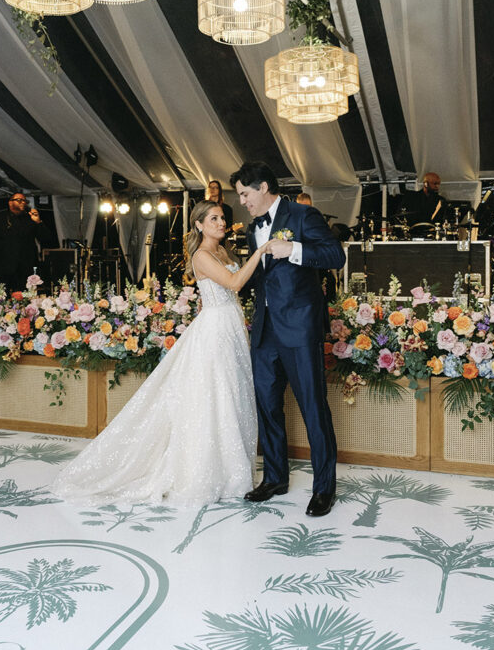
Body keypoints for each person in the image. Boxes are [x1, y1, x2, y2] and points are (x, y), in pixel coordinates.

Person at [52, 200, 274, 507]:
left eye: (222, 218)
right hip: (215, 330)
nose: (221, 223)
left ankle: (231, 471)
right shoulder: (203, 255)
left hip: (230, 325)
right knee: (216, 396)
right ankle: (206, 473)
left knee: (232, 394)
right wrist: (260, 252)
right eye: (214, 219)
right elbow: (235, 281)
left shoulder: (223, 251)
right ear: (198, 224)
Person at [231, 161, 346, 518]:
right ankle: (275, 478)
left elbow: (335, 256)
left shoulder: (302, 215)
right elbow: (261, 279)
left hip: (299, 329)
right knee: (267, 406)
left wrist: (293, 251)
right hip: (265, 331)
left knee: (313, 408)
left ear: (263, 187)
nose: (243, 202)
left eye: (245, 194)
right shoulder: (253, 229)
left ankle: (324, 488)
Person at [0, 192, 52, 290]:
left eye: (24, 201)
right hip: (2, 266)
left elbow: (46, 239)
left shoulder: (30, 218)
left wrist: (38, 222)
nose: (23, 202)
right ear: (10, 203)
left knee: (23, 297)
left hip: (25, 267)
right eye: (19, 200)